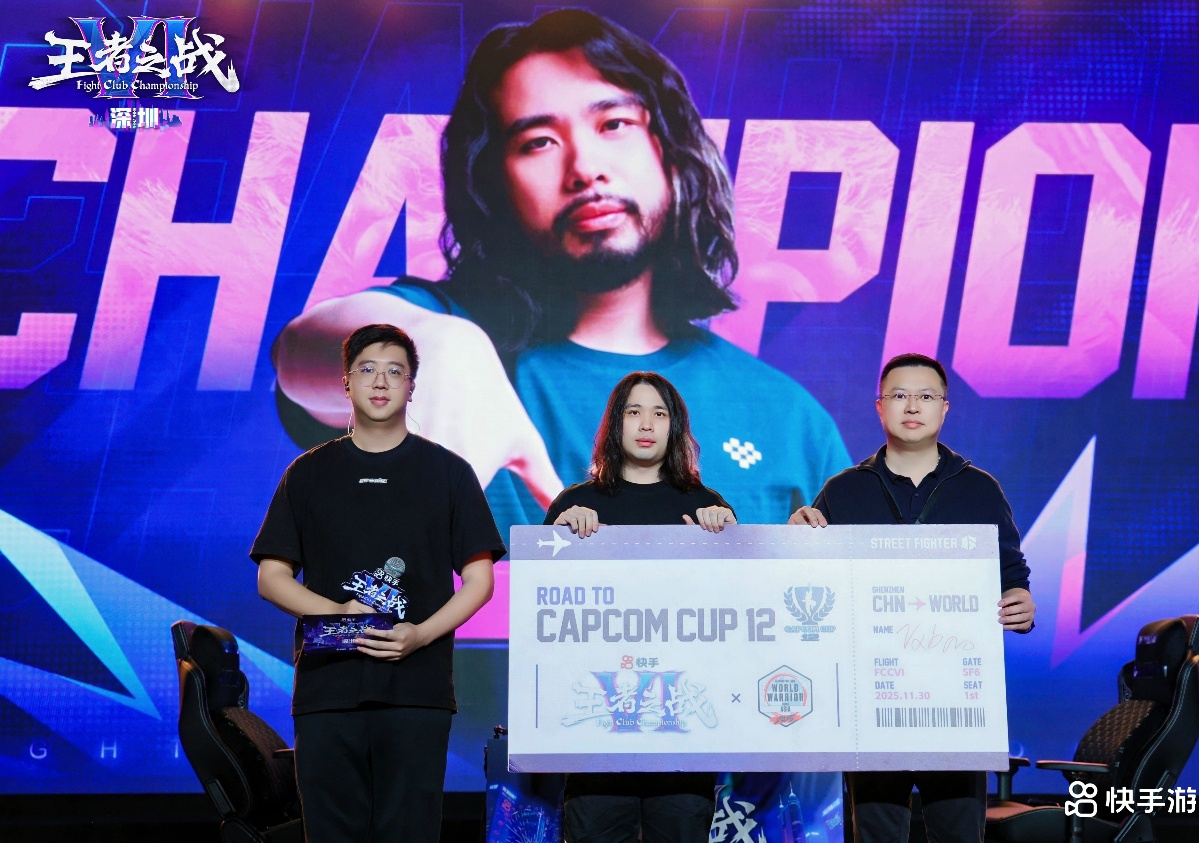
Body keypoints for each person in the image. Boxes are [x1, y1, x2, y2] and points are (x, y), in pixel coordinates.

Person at [272, 9, 847, 536]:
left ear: (669, 151)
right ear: (494, 183)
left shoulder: (790, 418)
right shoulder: (451, 338)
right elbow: (301, 354)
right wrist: (431, 348)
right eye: (539, 141)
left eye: (614, 124)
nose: (585, 168)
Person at [251, 323, 505, 843]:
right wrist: (336, 613)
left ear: (412, 385)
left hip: (417, 689)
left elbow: (480, 580)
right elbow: (271, 577)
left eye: (396, 371)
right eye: (367, 369)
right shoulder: (308, 473)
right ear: (346, 382)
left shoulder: (449, 472)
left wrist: (421, 634)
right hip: (328, 690)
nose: (381, 381)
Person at [788, 352, 1035, 843]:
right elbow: (811, 586)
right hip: (871, 698)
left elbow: (1010, 571)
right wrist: (799, 535)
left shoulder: (979, 489)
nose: (913, 406)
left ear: (945, 408)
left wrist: (1019, 601)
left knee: (958, 833)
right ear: (880, 407)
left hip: (956, 700)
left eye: (926, 396)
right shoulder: (844, 489)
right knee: (876, 832)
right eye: (899, 395)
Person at [544, 371, 736, 842]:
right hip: (595, 725)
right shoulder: (576, 504)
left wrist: (727, 541)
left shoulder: (705, 505)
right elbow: (545, 614)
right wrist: (561, 537)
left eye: (659, 413)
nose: (646, 424)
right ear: (616, 424)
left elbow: (734, 616)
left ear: (675, 426)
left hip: (683, 727)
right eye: (634, 412)